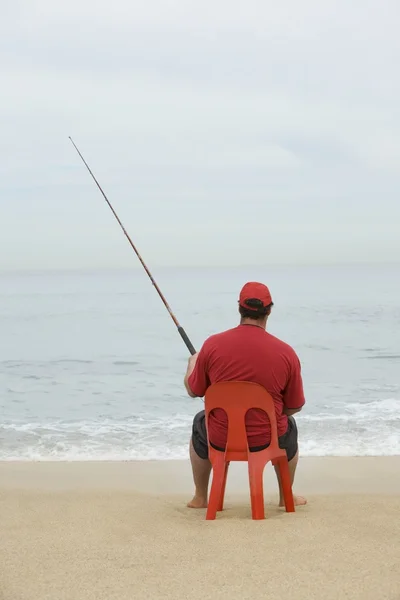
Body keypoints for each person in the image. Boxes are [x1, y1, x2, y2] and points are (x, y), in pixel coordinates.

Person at [183, 281, 307, 509]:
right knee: (289, 424)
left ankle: (201, 497)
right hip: (267, 439)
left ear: (239, 308)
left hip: (221, 438)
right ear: (269, 310)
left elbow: (194, 390)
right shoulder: (286, 353)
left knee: (200, 421)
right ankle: (285, 495)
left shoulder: (212, 345)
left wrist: (192, 364)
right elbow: (294, 406)